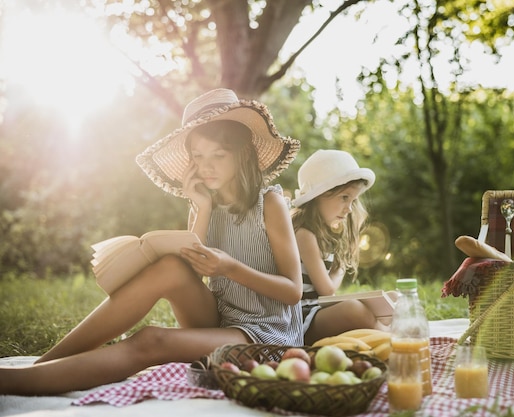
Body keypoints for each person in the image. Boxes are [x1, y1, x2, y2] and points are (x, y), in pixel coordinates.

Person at [0, 88, 303, 395]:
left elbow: (293, 291)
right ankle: (44, 365)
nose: (206, 165)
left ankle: (15, 383)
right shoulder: (202, 204)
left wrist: (229, 267)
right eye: (198, 156)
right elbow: (190, 278)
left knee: (151, 339)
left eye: (218, 155)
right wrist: (204, 208)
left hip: (266, 337)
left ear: (243, 154)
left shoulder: (270, 205)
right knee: (171, 266)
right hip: (221, 320)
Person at [291, 149, 388, 345]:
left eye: (353, 200)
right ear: (317, 196)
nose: (349, 208)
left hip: (317, 310)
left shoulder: (323, 233)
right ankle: (390, 337)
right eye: (344, 197)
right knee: (355, 311)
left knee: (391, 299)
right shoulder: (304, 234)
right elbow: (327, 290)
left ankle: (382, 332)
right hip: (301, 318)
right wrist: (341, 267)